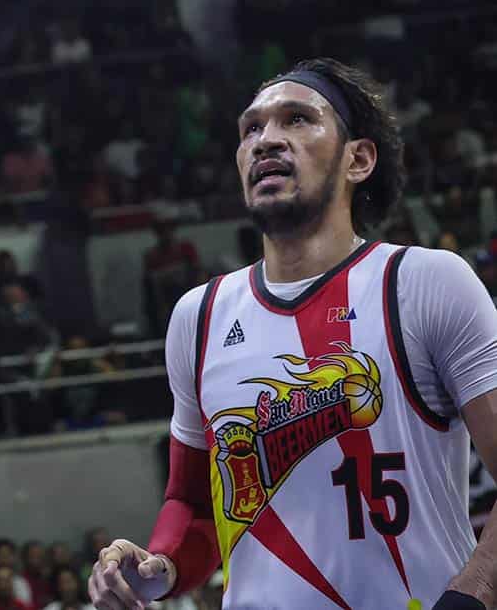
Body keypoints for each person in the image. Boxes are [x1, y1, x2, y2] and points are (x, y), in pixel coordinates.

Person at [87, 58, 497, 610]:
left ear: (359, 159)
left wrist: (471, 596)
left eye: (298, 120)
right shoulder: (199, 316)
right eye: (251, 128)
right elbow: (198, 505)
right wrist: (157, 568)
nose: (266, 140)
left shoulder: (423, 283)